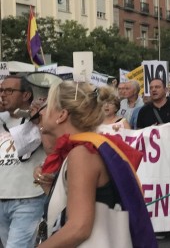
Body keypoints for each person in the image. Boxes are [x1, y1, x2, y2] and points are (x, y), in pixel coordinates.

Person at [36, 81, 156, 247]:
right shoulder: (87, 148)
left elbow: (79, 228)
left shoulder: (81, 153)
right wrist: (52, 189)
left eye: (47, 105)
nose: (40, 112)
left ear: (62, 115)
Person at [0, 75, 46, 247]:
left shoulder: (40, 117)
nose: (3, 95)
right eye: (1, 90)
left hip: (28, 198)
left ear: (26, 95)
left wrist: (38, 119)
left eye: (9, 90)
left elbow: (52, 144)